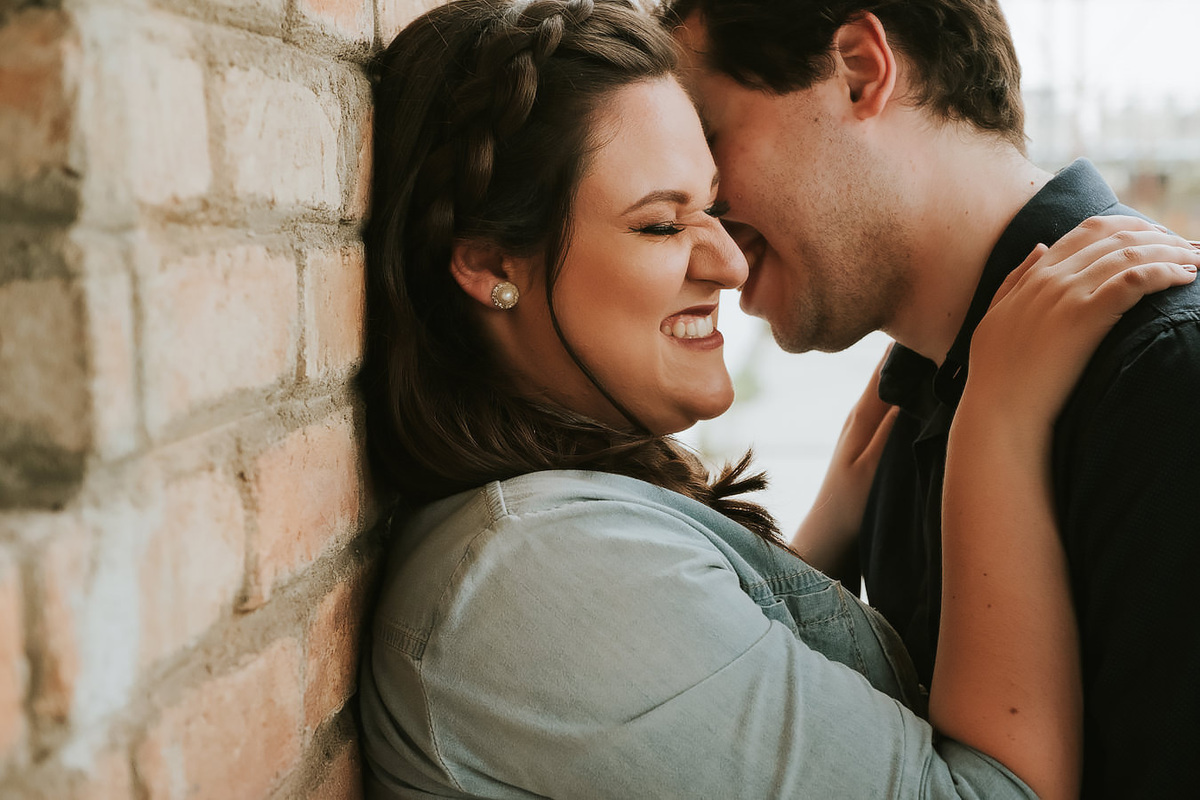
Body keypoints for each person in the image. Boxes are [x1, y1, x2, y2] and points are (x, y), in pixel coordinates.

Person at [356, 0, 1200, 797]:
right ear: (492, 263)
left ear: (862, 73)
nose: (723, 248)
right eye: (664, 219)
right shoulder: (954, 415)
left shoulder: (1163, 376)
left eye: (715, 156)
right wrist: (994, 428)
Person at [663, 1, 1200, 796]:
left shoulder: (1165, 378)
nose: (697, 210)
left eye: (706, 140)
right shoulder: (909, 403)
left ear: (858, 70)